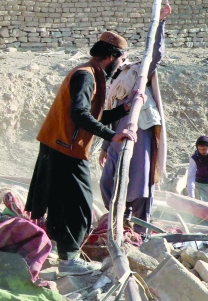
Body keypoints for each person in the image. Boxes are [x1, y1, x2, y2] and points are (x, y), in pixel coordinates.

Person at [26, 31, 138, 276]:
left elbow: (92, 115)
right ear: (111, 56)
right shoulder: (86, 77)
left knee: (61, 202)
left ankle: (65, 255)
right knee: (79, 205)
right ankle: (69, 261)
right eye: (120, 61)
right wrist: (112, 136)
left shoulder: (90, 74)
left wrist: (125, 109)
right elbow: (80, 115)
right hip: (66, 149)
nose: (120, 67)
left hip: (61, 146)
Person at [99, 2, 172, 231]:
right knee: (107, 182)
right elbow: (109, 114)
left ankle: (140, 229)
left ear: (123, 56)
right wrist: (104, 145)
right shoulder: (111, 80)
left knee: (140, 183)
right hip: (116, 133)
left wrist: (159, 24)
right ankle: (118, 221)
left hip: (139, 130)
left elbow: (156, 55)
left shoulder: (137, 71)